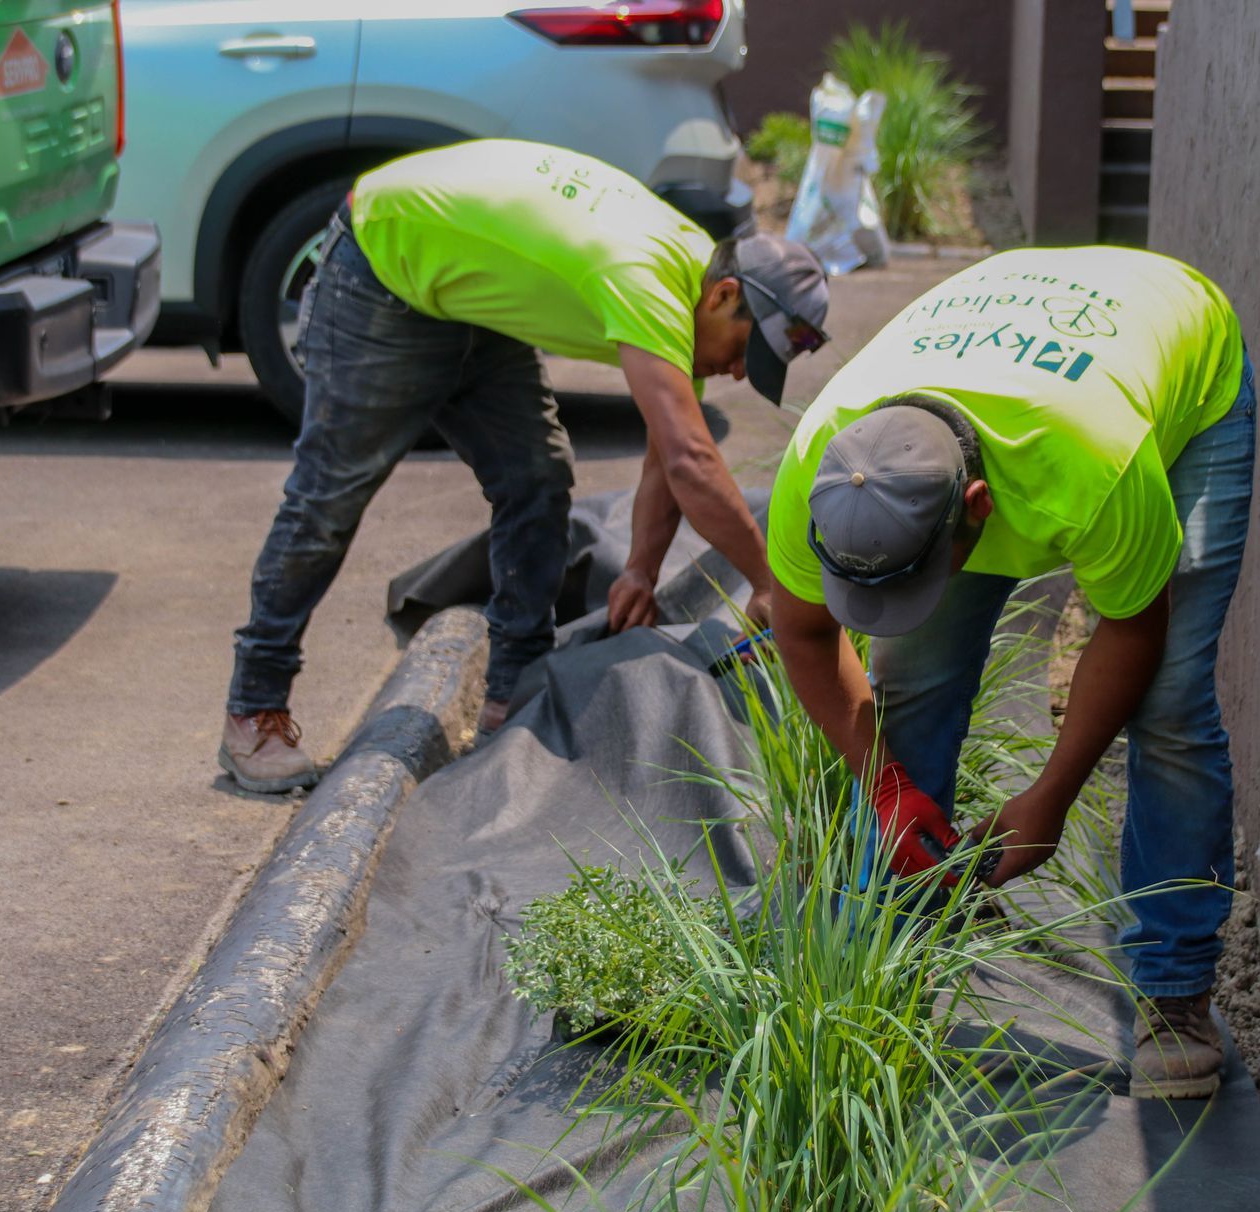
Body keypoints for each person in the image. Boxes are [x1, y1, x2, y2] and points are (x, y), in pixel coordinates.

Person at [765, 246, 1254, 1100]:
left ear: (977, 515)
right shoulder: (826, 466)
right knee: (910, 684)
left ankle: (1174, 990)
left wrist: (1051, 798)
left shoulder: (1090, 466)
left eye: (918, 579)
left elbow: (1132, 626)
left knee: (1171, 703)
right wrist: (886, 789)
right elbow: (804, 635)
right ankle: (886, 958)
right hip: (998, 348)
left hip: (1177, 363)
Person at [219, 139, 830, 793]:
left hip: (470, 290)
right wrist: (773, 582)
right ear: (724, 295)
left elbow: (667, 455)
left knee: (537, 478)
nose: (738, 372)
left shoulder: (692, 282)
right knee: (328, 500)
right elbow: (690, 460)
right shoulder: (645, 276)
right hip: (383, 268)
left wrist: (641, 572)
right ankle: (253, 710)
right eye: (743, 352)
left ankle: (513, 696)